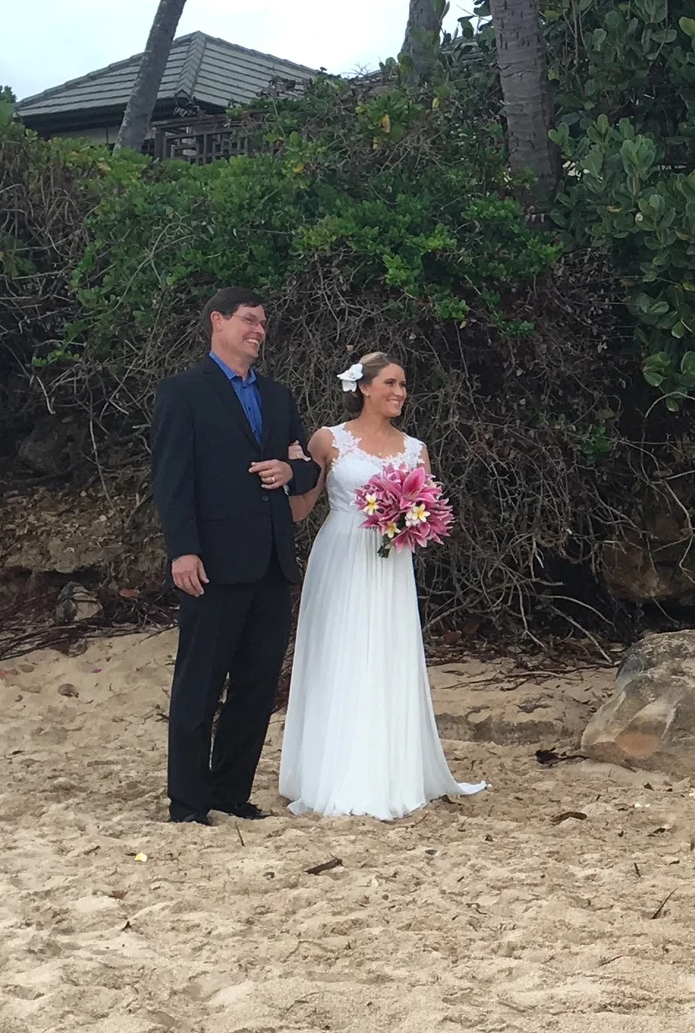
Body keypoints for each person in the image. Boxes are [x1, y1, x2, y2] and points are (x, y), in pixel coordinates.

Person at [277, 351, 486, 819]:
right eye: (390, 383)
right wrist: (290, 471)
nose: (399, 393)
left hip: (391, 563)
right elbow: (302, 509)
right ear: (364, 389)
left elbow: (428, 507)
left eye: (404, 385)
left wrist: (414, 520)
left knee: (386, 654)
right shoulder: (329, 440)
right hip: (341, 554)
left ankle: (388, 770)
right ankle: (329, 771)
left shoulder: (415, 449)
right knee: (341, 653)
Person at [151, 288, 321, 826]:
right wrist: (183, 551)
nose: (259, 331)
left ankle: (230, 790)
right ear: (217, 322)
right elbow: (171, 481)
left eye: (264, 323)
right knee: (200, 680)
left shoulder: (278, 395)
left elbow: (309, 467)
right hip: (213, 561)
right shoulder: (182, 392)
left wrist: (291, 471)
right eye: (249, 320)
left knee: (255, 682)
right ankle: (188, 800)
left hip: (271, 560)